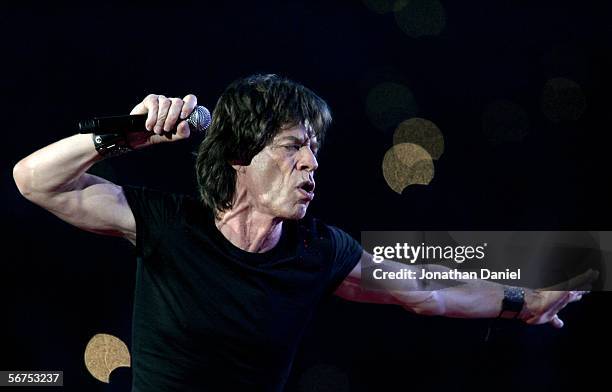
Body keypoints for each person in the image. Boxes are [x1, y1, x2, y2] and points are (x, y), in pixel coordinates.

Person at [13, 74, 588, 391]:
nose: (311, 164)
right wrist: (128, 136)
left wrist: (523, 302)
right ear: (240, 156)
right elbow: (34, 180)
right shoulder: (168, 224)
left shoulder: (319, 250)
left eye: (314, 150)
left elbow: (427, 290)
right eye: (292, 147)